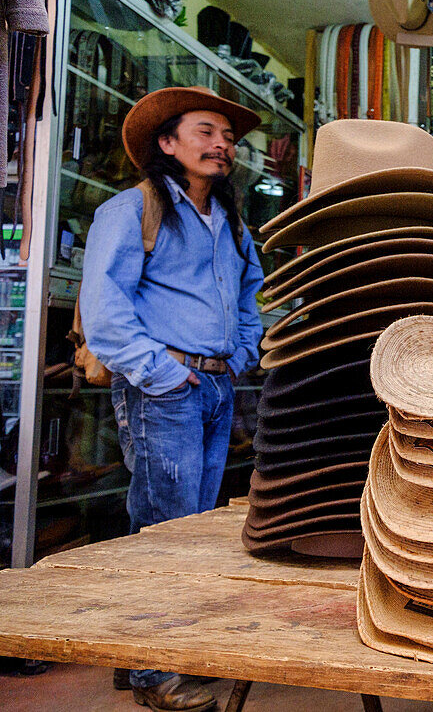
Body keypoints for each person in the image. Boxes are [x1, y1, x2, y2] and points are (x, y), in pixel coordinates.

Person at [80, 87, 265, 712]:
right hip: (166, 389)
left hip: (214, 384)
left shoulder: (231, 223)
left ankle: (141, 655)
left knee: (185, 522)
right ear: (167, 143)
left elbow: (250, 299)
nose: (222, 146)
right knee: (168, 525)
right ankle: (154, 672)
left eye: (229, 138)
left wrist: (240, 353)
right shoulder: (131, 210)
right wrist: (160, 373)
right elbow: (105, 308)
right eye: (207, 132)